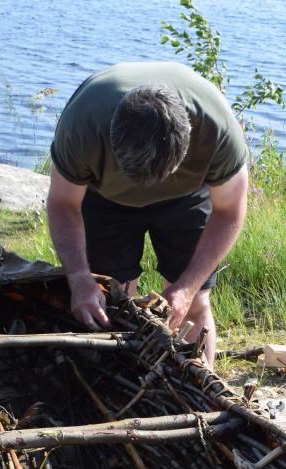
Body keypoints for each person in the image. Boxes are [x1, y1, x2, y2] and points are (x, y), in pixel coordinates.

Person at [46, 61, 250, 363]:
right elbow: (63, 202)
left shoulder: (217, 128)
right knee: (112, 302)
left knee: (194, 304)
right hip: (106, 200)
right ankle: (123, 377)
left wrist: (186, 289)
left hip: (187, 198)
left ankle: (202, 385)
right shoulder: (83, 125)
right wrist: (78, 278)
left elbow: (230, 209)